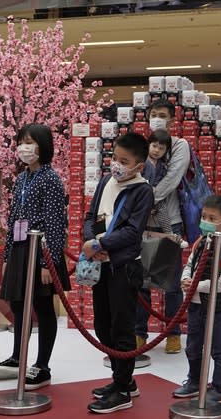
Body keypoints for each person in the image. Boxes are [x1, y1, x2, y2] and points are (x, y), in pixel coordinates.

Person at [0, 124, 69, 388]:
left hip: (41, 250)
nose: (24, 147)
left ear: (43, 146)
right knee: (19, 305)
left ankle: (42, 365)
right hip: (21, 249)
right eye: (21, 141)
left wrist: (48, 261)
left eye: (30, 142)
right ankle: (17, 356)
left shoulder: (51, 179)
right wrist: (9, 252)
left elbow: (56, 223)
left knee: (43, 308)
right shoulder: (22, 178)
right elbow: (13, 219)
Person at [82, 132, 154, 413]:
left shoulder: (143, 190)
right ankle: (122, 379)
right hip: (100, 262)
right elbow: (91, 217)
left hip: (124, 267)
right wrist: (92, 244)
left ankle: (123, 390)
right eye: (114, 158)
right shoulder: (105, 181)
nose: (117, 165)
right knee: (102, 326)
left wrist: (101, 243)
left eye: (124, 161)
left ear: (139, 165)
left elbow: (133, 232)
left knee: (122, 330)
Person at [136, 100, 190, 354]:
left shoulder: (179, 146)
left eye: (163, 116)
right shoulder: (140, 145)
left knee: (171, 283)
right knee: (141, 281)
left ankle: (173, 332)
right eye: (153, 115)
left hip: (170, 220)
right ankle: (138, 333)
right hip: (142, 223)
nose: (157, 119)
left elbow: (172, 179)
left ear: (172, 120)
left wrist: (144, 198)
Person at [173, 195, 221, 404]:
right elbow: (190, 264)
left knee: (218, 349)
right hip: (195, 305)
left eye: (212, 218)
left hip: (216, 308)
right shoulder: (200, 242)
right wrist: (185, 279)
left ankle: (219, 388)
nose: (205, 221)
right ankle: (194, 381)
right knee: (193, 346)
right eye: (203, 216)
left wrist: (196, 286)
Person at [142, 129, 173, 234]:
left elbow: (159, 180)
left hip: (154, 194)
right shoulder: (143, 161)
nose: (156, 150)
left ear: (166, 151)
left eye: (161, 149)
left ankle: (170, 234)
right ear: (148, 145)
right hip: (141, 193)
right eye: (154, 146)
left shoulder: (161, 165)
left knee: (162, 206)